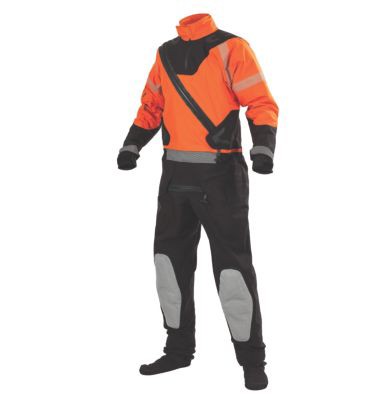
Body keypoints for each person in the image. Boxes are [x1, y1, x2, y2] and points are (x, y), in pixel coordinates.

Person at [117, 13, 278, 390]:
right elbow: (152, 105)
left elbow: (260, 101)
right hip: (174, 175)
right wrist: (131, 145)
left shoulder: (232, 47)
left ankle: (251, 360)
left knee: (232, 270)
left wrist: (263, 148)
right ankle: (177, 350)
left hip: (222, 175)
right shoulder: (165, 53)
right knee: (168, 264)